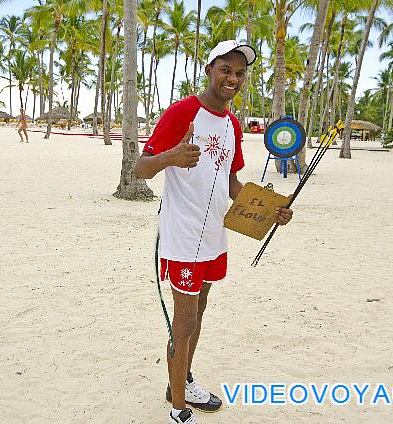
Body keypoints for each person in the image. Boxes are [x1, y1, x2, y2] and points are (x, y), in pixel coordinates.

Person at [134, 40, 294, 424]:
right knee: (184, 320)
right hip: (182, 236)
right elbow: (140, 168)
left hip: (213, 238)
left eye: (239, 73)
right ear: (210, 70)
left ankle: (182, 382)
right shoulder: (182, 112)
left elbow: (231, 183)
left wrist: (272, 211)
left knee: (199, 312)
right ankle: (178, 410)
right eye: (226, 69)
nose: (233, 79)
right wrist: (171, 157)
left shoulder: (233, 125)